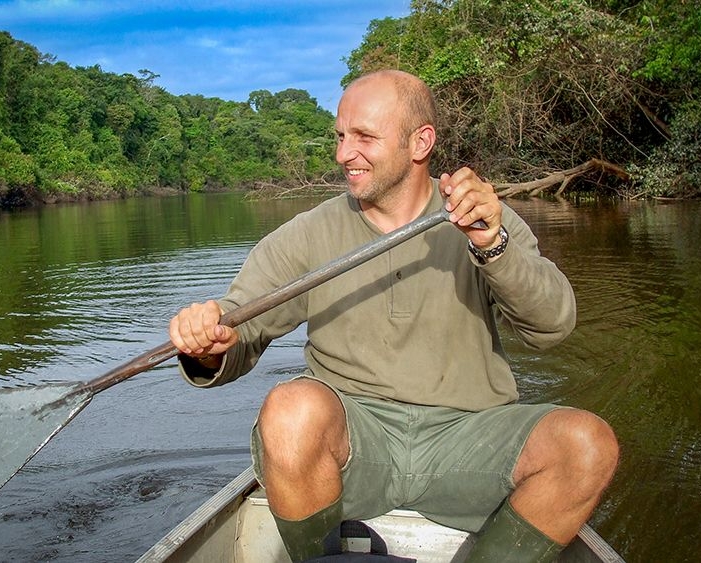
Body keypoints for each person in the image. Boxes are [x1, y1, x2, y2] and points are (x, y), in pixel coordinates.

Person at [168, 69, 619, 562]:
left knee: (588, 445)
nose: (344, 154)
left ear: (420, 142)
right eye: (340, 137)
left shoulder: (481, 219)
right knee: (290, 409)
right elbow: (241, 325)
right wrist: (210, 346)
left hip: (469, 436)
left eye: (364, 137)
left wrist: (492, 245)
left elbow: (552, 326)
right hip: (355, 443)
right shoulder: (306, 233)